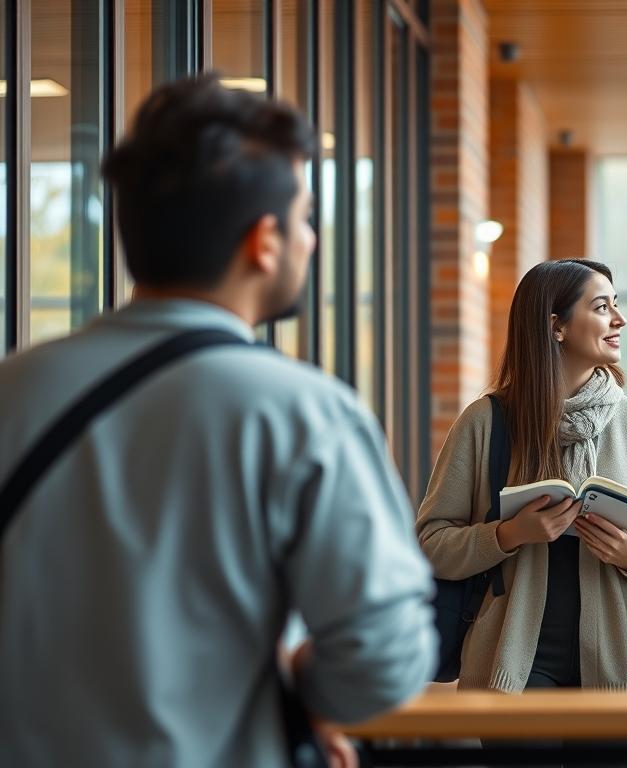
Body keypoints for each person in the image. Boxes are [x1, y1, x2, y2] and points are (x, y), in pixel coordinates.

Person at [0, 74, 436, 767]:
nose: (313, 240)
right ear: (264, 241)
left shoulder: (12, 388)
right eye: (306, 219)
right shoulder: (303, 414)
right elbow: (383, 660)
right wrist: (297, 689)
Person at [416, 259, 627, 702]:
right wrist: (509, 534)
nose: (619, 319)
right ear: (556, 326)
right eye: (600, 307)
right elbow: (431, 543)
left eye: (616, 304)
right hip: (508, 661)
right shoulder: (485, 422)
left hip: (616, 664)